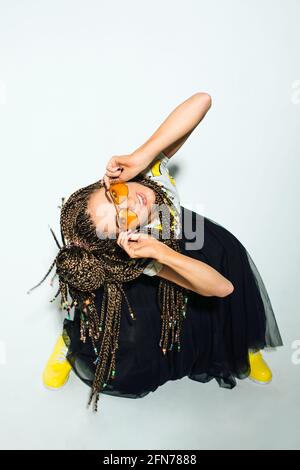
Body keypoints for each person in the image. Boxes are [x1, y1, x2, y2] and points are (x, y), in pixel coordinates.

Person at [28, 92, 283, 412]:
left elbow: (202, 101)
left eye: (115, 195)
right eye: (123, 217)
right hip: (169, 255)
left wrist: (142, 154)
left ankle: (240, 344)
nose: (131, 203)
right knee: (130, 330)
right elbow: (220, 288)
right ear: (126, 235)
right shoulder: (143, 252)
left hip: (198, 239)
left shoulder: (148, 174)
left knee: (232, 276)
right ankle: (70, 343)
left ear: (110, 182)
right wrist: (161, 254)